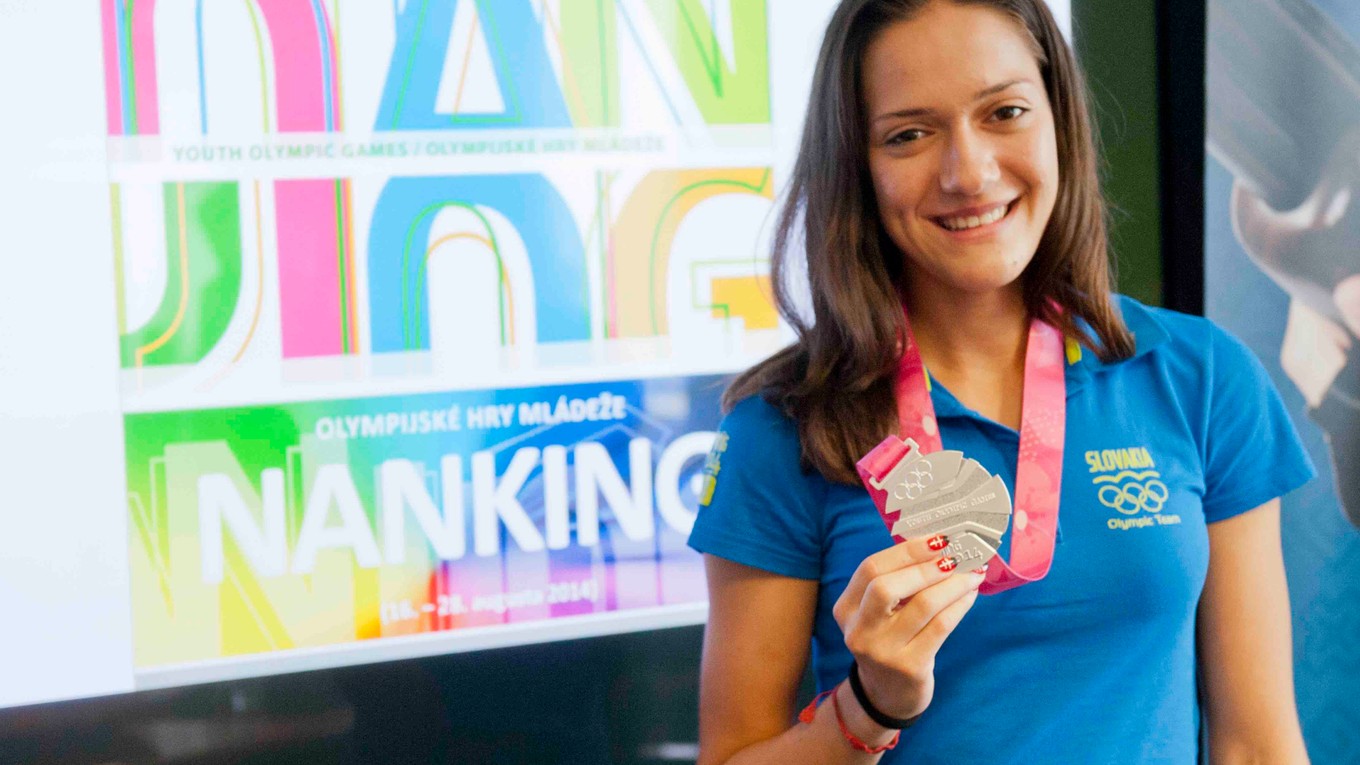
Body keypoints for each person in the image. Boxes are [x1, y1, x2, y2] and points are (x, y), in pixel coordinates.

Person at [686, 0, 1317, 763]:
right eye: (908, 134)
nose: (969, 173)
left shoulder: (1199, 377)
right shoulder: (783, 426)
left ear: (1059, 120)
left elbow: (1256, 745)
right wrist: (871, 702)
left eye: (1005, 111)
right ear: (856, 163)